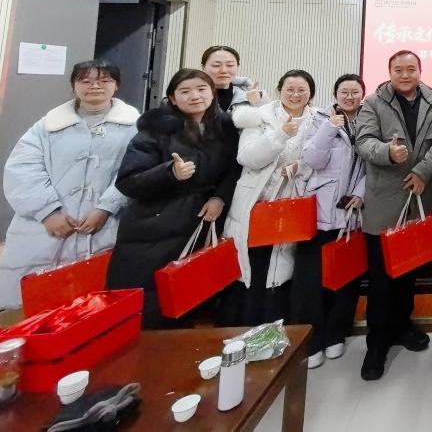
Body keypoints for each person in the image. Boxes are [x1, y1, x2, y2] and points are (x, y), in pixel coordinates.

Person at [0, 60, 140, 310]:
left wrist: (105, 208)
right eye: (85, 81)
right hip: (44, 228)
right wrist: (47, 212)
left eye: (104, 80)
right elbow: (22, 169)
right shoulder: (47, 126)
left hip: (105, 225)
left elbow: (136, 172)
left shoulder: (136, 128)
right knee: (31, 305)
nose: (95, 86)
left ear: (117, 85)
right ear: (73, 85)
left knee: (94, 305)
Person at [106, 69, 240, 328]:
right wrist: (170, 173)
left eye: (201, 89)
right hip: (156, 226)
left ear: (213, 93)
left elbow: (234, 169)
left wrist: (220, 198)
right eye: (185, 91)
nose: (195, 96)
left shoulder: (226, 128)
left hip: (201, 223)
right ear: (173, 98)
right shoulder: (155, 130)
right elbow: (128, 181)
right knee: (153, 304)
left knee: (192, 299)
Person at [355, 50, 432, 381]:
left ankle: (402, 326)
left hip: (419, 196)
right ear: (389, 71)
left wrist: (422, 171)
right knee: (381, 279)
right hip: (385, 200)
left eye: (411, 69)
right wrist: (387, 153)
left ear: (420, 71)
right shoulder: (373, 103)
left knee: (409, 273)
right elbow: (363, 141)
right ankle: (376, 344)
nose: (405, 75)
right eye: (399, 69)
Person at [220, 70, 317, 327]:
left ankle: (274, 333)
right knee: (253, 268)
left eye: (302, 90)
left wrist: (299, 167)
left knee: (281, 272)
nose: (295, 95)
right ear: (279, 90)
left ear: (311, 94)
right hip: (256, 203)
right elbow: (248, 157)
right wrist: (281, 134)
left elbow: (320, 160)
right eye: (289, 89)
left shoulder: (317, 120)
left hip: (292, 205)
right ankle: (247, 331)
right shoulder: (259, 117)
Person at [290, 74, 367, 369]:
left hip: (350, 212)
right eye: (344, 92)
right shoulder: (320, 119)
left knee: (345, 277)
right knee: (310, 280)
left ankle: (336, 334)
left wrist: (360, 193)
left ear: (362, 95)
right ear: (335, 95)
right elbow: (312, 160)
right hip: (320, 210)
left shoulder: (368, 121)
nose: (349, 96)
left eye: (355, 92)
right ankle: (312, 340)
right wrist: (329, 128)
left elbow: (370, 167)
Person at [200, 45, 264, 113]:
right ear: (203, 67)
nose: (223, 70)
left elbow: (267, 118)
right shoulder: (194, 95)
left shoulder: (247, 96)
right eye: (216, 65)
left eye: (230, 65)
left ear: (237, 66)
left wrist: (258, 103)